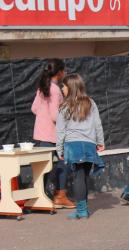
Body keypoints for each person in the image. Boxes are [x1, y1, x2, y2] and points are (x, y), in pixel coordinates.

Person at [55, 74, 105, 219]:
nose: (62, 89)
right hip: (89, 145)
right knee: (83, 177)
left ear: (70, 87)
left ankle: (81, 210)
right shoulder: (91, 103)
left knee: (78, 177)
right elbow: (97, 124)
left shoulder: (65, 105)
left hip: (73, 145)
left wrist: (60, 149)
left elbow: (60, 130)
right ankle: (83, 209)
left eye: (63, 86)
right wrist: (100, 142)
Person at [31, 58, 75, 209]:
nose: (66, 73)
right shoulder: (55, 90)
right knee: (64, 163)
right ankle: (60, 196)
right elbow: (55, 116)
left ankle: (38, 197)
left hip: (41, 133)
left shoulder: (42, 87)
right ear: (60, 72)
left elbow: (34, 109)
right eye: (65, 70)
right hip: (53, 135)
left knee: (43, 167)